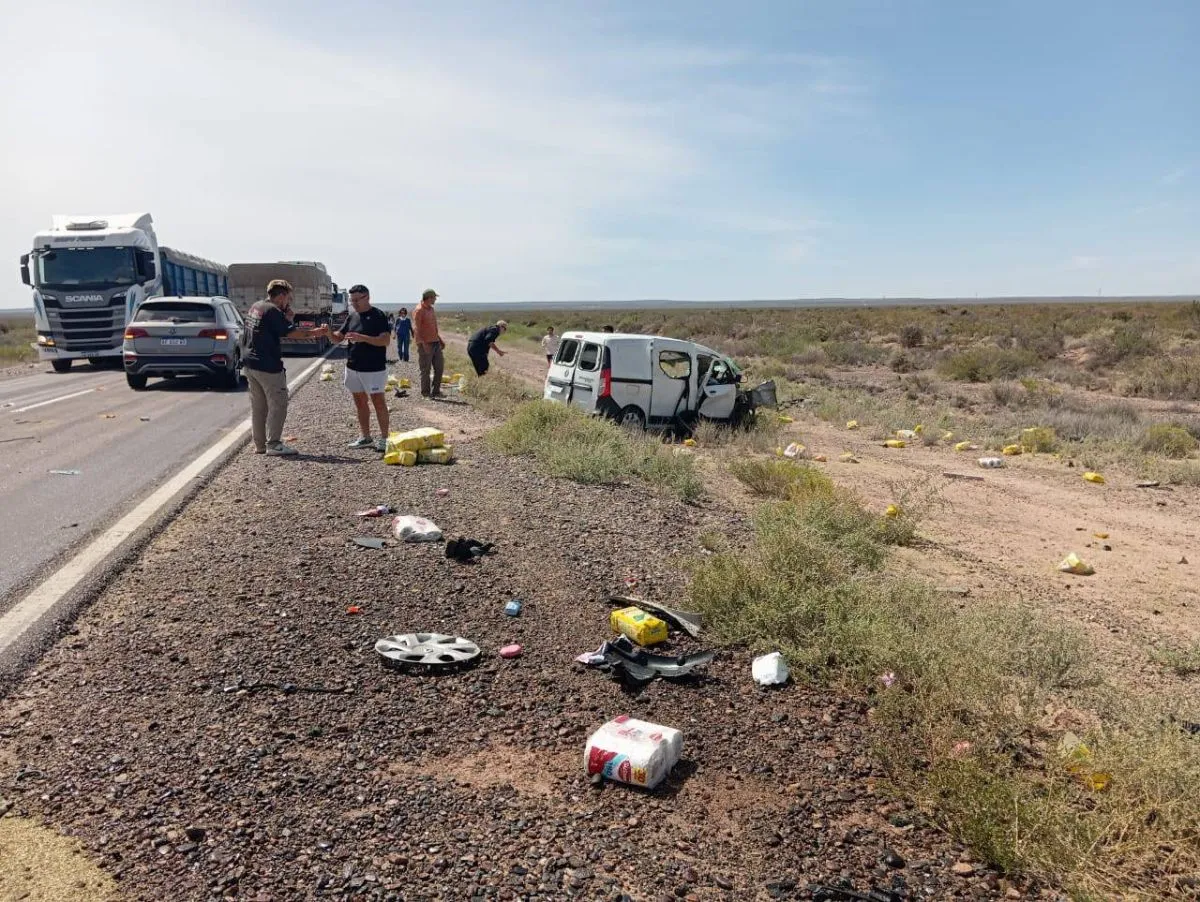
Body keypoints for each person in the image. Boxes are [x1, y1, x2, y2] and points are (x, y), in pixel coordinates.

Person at [243, 279, 328, 456]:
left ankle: (260, 445)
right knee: (278, 403)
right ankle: (273, 444)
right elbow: (293, 333)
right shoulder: (273, 311)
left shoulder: (257, 307)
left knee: (259, 407)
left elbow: (270, 330)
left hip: (250, 362)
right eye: (288, 298)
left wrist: (287, 318)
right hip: (267, 365)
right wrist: (316, 332)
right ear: (281, 296)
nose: (288, 302)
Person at [330, 284, 392, 451]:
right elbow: (338, 338)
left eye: (357, 300)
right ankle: (365, 437)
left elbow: (385, 341)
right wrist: (327, 333)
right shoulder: (352, 316)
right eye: (352, 300)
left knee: (378, 402)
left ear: (367, 297)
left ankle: (385, 439)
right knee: (359, 402)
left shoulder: (378, 316)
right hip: (353, 367)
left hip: (373, 368)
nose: (354, 303)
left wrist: (362, 338)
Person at [413, 288, 445, 398]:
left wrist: (440, 339)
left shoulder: (431, 309)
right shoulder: (419, 310)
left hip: (435, 342)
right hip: (425, 344)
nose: (435, 299)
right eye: (434, 297)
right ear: (429, 298)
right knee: (426, 369)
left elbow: (433, 327)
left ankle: (436, 391)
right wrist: (424, 344)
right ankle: (426, 393)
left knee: (439, 367)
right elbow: (417, 329)